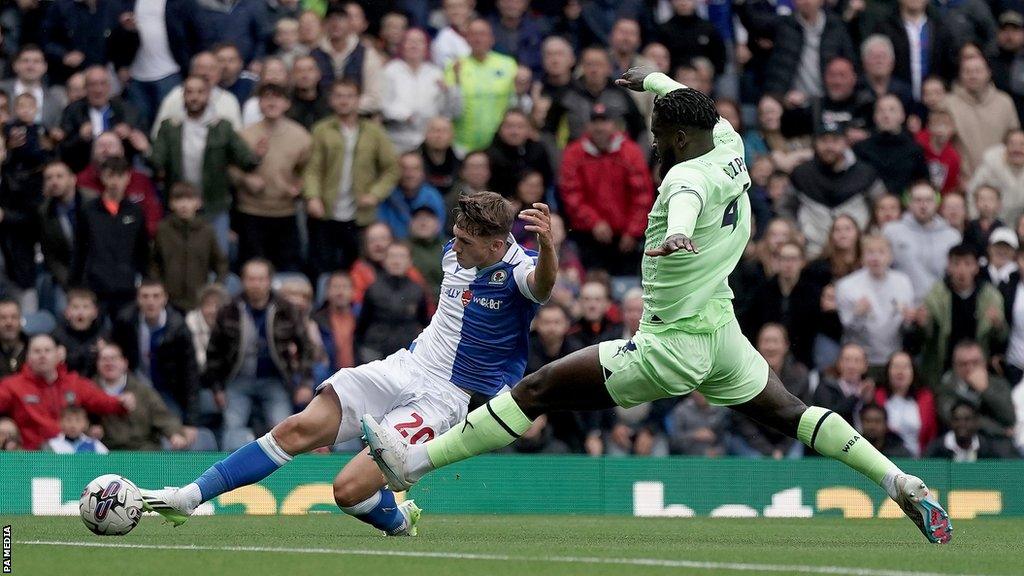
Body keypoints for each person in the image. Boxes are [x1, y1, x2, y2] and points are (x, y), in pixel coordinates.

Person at [362, 68, 954, 544]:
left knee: (537, 389)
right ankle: (899, 480)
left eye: (655, 131)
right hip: (720, 326)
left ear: (675, 138)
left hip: (674, 343)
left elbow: (689, 198)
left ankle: (412, 464)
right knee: (793, 412)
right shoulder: (727, 139)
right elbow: (684, 96)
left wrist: (676, 234)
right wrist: (650, 79)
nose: (651, 138)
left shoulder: (681, 182)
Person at [140, 191, 557, 539]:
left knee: (347, 491)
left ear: (496, 246)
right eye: (456, 237)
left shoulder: (519, 270)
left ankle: (398, 520)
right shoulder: (455, 254)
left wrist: (549, 249)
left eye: (466, 241)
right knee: (295, 428)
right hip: (406, 366)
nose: (455, 246)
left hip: (445, 398)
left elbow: (542, 285)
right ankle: (189, 498)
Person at [202, 258, 314, 451]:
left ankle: (285, 475)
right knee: (232, 428)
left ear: (269, 281)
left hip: (274, 381)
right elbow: (214, 352)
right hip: (237, 381)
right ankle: (232, 476)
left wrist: (304, 383)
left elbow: (306, 347)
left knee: (283, 429)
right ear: (243, 281)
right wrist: (217, 388)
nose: (256, 284)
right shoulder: (229, 310)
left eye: (261, 279)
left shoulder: (285, 309)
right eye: (251, 279)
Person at [149, 75, 260, 253]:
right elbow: (156, 162)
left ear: (208, 95)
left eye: (200, 92)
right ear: (183, 96)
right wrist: (146, 150)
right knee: (178, 256)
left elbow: (245, 160)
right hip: (179, 203)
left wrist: (257, 155)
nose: (194, 97)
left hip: (214, 203)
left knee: (218, 254)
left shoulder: (222, 127)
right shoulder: (169, 127)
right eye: (190, 92)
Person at [304, 79, 399, 275]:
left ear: (358, 100)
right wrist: (312, 196)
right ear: (331, 100)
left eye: (349, 96)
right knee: (322, 266)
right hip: (326, 210)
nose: (344, 101)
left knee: (357, 266)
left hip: (360, 214)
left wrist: (375, 194)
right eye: (339, 96)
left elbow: (392, 168)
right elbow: (312, 168)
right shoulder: (321, 130)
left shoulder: (374, 132)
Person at [559, 103, 653, 276]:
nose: (599, 127)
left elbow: (642, 196)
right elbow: (571, 195)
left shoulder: (630, 152)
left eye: (604, 121)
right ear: (588, 125)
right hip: (589, 236)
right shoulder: (574, 153)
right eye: (595, 122)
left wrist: (633, 231)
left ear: (614, 125)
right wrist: (594, 222)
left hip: (626, 239)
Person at [0, 333, 134, 450]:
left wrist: (121, 402)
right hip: (32, 456)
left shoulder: (73, 382)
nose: (42, 355)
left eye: (47, 350)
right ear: (28, 356)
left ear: (58, 354)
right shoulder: (13, 385)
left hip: (70, 455)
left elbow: (101, 401)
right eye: (37, 351)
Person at [235, 83, 311, 272]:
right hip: (251, 211)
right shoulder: (245, 135)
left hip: (285, 212)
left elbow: (308, 170)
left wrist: (300, 187)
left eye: (277, 98)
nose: (272, 103)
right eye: (266, 98)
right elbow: (230, 168)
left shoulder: (301, 136)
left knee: (286, 269)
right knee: (252, 269)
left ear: (287, 103)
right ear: (259, 103)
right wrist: (245, 180)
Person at [110, 280, 200, 425]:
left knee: (172, 432)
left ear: (165, 299)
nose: (150, 302)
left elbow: (190, 373)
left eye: (156, 296)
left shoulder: (178, 327)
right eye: (145, 296)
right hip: (134, 387)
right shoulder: (125, 321)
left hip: (168, 390)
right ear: (138, 299)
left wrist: (191, 421)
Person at [911, 245, 1007, 380]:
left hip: (977, 367)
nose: (962, 270)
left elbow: (1001, 338)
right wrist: (922, 323)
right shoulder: (936, 294)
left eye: (968, 264)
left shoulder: (990, 296)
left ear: (976, 267)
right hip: (943, 367)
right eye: (956, 264)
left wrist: (998, 324)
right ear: (949, 267)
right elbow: (925, 335)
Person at [69, 157, 150, 318]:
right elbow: (80, 249)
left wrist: (146, 280)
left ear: (128, 178)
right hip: (96, 287)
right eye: (110, 176)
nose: (115, 181)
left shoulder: (135, 212)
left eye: (119, 176)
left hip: (127, 287)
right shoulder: (89, 211)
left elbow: (142, 251)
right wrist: (75, 285)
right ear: (102, 177)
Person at [92, 342, 206, 452]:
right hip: (107, 452)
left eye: (113, 358)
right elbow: (81, 420)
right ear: (97, 364)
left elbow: (163, 416)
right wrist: (89, 429)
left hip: (143, 450)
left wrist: (174, 434)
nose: (109, 363)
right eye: (104, 359)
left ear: (124, 363)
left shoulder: (143, 391)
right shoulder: (89, 390)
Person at [835, 234, 915, 370]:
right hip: (860, 360)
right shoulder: (847, 285)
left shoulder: (903, 282)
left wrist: (910, 319)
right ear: (862, 257)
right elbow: (845, 327)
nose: (875, 257)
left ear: (890, 256)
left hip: (893, 358)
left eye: (881, 252)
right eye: (870, 252)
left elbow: (907, 326)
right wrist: (857, 314)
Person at [150, 182, 228, 312]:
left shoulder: (207, 231)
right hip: (168, 301)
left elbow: (220, 263)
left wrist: (215, 289)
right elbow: (154, 262)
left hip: (198, 300)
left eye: (190, 199)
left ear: (199, 203)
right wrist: (158, 287)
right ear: (171, 203)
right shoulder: (163, 230)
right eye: (179, 199)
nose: (184, 205)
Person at [445, 18, 518, 153]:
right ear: (466, 39)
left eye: (482, 34)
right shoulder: (454, 66)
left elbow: (515, 103)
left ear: (492, 39)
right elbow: (450, 108)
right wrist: (456, 80)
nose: (478, 39)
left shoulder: (508, 64)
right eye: (473, 34)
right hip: (463, 145)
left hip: (500, 145)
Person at [884, 181, 963, 302]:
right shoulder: (891, 232)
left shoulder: (952, 236)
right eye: (918, 200)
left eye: (928, 200)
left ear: (937, 203)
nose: (923, 205)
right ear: (909, 203)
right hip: (903, 306)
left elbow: (957, 275)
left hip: (940, 305)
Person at [355, 243, 431, 364]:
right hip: (375, 351)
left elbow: (425, 322)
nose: (396, 261)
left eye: (401, 256)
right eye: (392, 256)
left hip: (406, 352)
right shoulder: (373, 289)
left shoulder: (418, 290)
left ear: (410, 261)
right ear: (384, 260)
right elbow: (362, 325)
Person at [381, 28, 454, 153]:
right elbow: (382, 103)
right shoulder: (390, 70)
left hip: (427, 141)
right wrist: (404, 115)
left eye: (419, 41)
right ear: (402, 45)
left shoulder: (435, 72)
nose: (414, 45)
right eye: (409, 41)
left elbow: (445, 110)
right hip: (397, 139)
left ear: (426, 47)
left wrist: (447, 93)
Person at [946, 55, 1021, 178]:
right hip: (961, 180)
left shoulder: (1005, 102)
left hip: (1000, 178)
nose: (973, 76)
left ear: (988, 73)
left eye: (978, 71)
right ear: (960, 75)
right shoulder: (948, 104)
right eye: (967, 71)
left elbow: (1013, 140)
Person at [935, 340, 1016, 438]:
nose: (970, 368)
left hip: (996, 445)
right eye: (963, 364)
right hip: (962, 441)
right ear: (955, 366)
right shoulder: (946, 388)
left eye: (975, 362)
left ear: (984, 363)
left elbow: (1010, 417)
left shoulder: (999, 384)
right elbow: (957, 420)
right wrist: (1000, 431)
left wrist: (985, 390)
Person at [853, 95, 929, 196]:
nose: (886, 115)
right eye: (881, 110)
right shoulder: (860, 149)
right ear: (874, 117)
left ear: (902, 116)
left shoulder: (914, 150)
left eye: (892, 110)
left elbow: (922, 183)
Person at [874, 351, 938, 457]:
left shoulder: (926, 398)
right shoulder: (877, 396)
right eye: (896, 367)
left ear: (913, 371)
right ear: (887, 371)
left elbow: (931, 434)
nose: (900, 371)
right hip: (884, 459)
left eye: (905, 367)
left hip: (918, 460)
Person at [377, 153, 447, 240]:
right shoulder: (387, 196)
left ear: (423, 173)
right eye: (404, 169)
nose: (409, 174)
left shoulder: (433, 197)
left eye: (415, 169)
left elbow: (438, 232)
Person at [924, 400, 1021, 459]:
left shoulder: (990, 450)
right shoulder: (935, 450)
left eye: (967, 419)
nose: (962, 424)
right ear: (950, 422)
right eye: (957, 419)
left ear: (976, 422)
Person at [0, 45, 67, 129]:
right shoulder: (1, 89)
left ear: (45, 67)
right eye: (25, 61)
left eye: (36, 61)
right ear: (15, 65)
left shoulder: (54, 101)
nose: (30, 66)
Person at [968, 129, 1024, 223]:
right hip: (990, 224)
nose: (1017, 149)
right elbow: (972, 195)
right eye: (1012, 144)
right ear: (1005, 146)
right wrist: (976, 225)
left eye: (1022, 144)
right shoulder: (990, 167)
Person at [52, 288, 106, 378]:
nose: (80, 312)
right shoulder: (57, 336)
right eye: (75, 307)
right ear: (67, 312)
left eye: (86, 307)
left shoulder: (103, 336)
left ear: (95, 312)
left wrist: (104, 354)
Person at [44, 405, 109, 454]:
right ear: (60, 423)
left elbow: (108, 463)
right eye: (68, 420)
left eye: (78, 420)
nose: (73, 425)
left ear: (86, 424)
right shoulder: (51, 444)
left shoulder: (94, 444)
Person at [0, 299, 27, 378]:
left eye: (14, 317)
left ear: (21, 320)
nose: (9, 322)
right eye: (3, 318)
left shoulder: (32, 346)